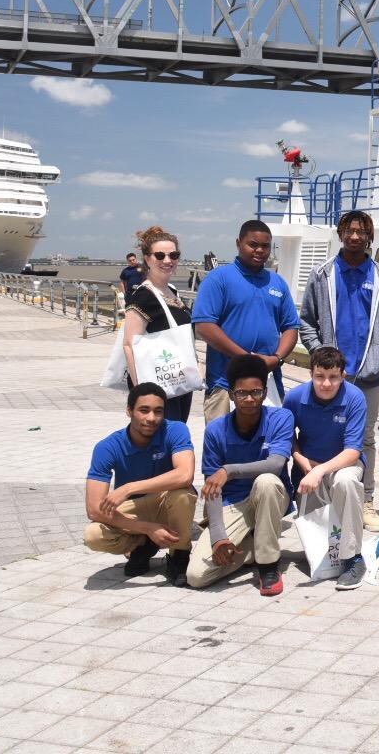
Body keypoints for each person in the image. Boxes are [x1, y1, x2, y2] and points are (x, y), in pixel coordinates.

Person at [299, 210, 379, 532]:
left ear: (370, 236)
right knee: (324, 435)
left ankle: (366, 500)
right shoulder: (323, 274)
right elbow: (306, 320)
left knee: (366, 439)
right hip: (330, 375)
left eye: (361, 231)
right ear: (341, 233)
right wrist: (321, 356)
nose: (355, 236)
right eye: (349, 230)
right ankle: (323, 498)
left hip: (367, 374)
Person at [186, 355, 294, 596]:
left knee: (266, 481)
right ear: (232, 395)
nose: (249, 399)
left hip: (271, 496)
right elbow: (212, 487)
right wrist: (218, 537)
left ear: (265, 393)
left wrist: (229, 470)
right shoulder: (216, 430)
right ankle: (253, 546)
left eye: (256, 392)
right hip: (232, 502)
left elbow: (276, 464)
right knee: (196, 576)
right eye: (242, 393)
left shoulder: (280, 418)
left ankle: (268, 564)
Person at [83, 383, 196, 587]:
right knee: (93, 535)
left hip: (166, 502)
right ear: (129, 411)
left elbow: (185, 475)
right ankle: (143, 543)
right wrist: (147, 528)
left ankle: (179, 554)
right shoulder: (107, 447)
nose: (151, 418)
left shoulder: (175, 430)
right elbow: (94, 509)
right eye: (144, 410)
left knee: (183, 494)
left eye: (158, 411)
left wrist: (128, 488)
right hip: (135, 510)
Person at [192, 220, 301, 424]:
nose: (260, 250)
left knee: (270, 446)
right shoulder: (218, 279)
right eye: (253, 244)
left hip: (267, 382)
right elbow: (204, 327)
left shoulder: (277, 282)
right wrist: (247, 359)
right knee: (223, 450)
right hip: (226, 384)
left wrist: (276, 358)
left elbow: (290, 327)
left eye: (266, 245)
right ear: (238, 243)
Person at [283, 345, 370, 590]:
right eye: (319, 376)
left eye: (333, 377)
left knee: (346, 482)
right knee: (317, 536)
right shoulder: (294, 398)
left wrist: (320, 471)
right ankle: (330, 556)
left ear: (343, 375)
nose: (326, 384)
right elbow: (289, 439)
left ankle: (353, 558)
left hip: (344, 464)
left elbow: (353, 451)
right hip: (307, 467)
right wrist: (307, 467)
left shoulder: (354, 397)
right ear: (311, 373)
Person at [122, 226, 195, 423]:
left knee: (176, 435)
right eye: (160, 255)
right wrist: (141, 394)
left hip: (178, 381)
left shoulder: (171, 290)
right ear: (147, 259)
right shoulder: (143, 296)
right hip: (156, 386)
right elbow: (129, 345)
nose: (167, 260)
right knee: (161, 441)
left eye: (174, 255)